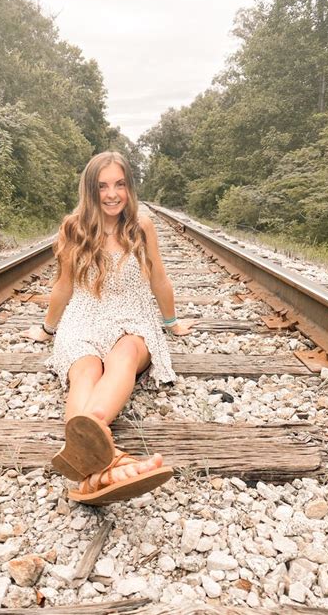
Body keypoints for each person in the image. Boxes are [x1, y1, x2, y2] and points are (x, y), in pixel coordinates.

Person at [23, 151, 197, 505]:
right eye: (102, 186)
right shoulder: (74, 227)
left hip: (133, 316)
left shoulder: (141, 225)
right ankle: (104, 462)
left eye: (119, 184)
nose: (112, 194)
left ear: (130, 187)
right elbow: (64, 285)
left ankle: (90, 446)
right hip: (84, 314)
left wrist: (172, 323)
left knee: (126, 353)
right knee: (84, 368)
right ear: (91, 190)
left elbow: (159, 279)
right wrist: (47, 328)